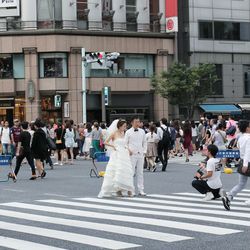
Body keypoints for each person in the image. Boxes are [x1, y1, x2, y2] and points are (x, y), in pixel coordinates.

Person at [98, 119, 134, 198]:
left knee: (126, 171)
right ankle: (118, 190)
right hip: (117, 153)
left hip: (124, 153)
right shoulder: (114, 133)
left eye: (125, 126)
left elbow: (125, 144)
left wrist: (129, 150)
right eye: (124, 126)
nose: (125, 127)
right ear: (120, 126)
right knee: (116, 171)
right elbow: (106, 142)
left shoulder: (124, 133)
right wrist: (113, 146)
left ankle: (128, 189)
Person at [222, 120, 250, 210]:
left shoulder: (240, 137)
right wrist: (246, 164)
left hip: (241, 162)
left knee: (241, 184)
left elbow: (240, 149)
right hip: (247, 162)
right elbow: (248, 152)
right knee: (241, 184)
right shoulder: (249, 138)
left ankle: (229, 197)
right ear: (247, 128)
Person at [125, 116, 147, 196]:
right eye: (136, 122)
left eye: (138, 121)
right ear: (132, 123)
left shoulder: (142, 131)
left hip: (140, 154)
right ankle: (131, 190)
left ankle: (141, 189)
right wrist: (128, 150)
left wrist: (144, 151)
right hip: (132, 154)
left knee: (140, 172)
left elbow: (144, 142)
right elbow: (125, 143)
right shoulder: (128, 132)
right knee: (131, 172)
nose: (138, 123)